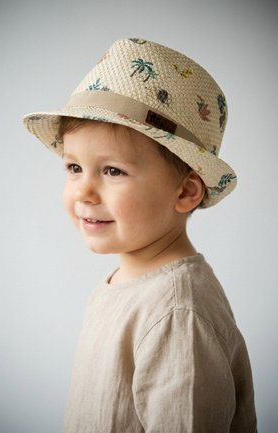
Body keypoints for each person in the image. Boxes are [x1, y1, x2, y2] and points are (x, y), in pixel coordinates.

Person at [23, 38, 257, 432]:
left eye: (112, 171)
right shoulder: (126, 284)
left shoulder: (178, 314)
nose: (83, 191)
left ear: (185, 191)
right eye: (74, 167)